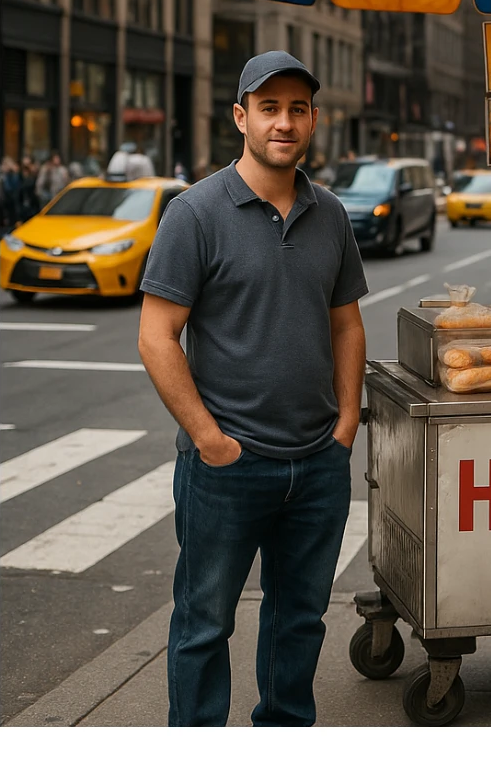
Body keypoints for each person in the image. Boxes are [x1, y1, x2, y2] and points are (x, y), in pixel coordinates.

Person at [137, 50, 368, 728]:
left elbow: (347, 322)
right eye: (269, 108)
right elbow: (157, 338)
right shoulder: (195, 213)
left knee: (299, 623)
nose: (284, 122)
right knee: (204, 625)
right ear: (241, 117)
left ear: (314, 120)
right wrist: (209, 440)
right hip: (227, 469)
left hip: (318, 465)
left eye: (297, 109)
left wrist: (346, 425)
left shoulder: (330, 215)